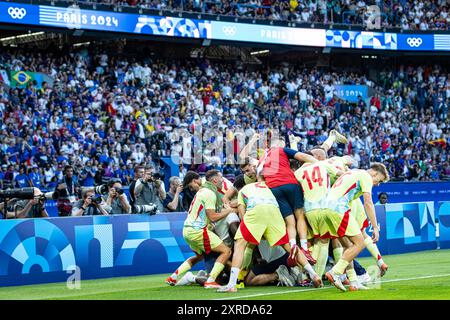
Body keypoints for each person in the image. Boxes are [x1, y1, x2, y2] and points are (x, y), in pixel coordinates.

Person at [218, 174, 322, 293]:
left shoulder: (244, 191)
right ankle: (313, 274)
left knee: (240, 244)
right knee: (289, 246)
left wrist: (253, 230)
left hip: (256, 211)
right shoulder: (268, 186)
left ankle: (232, 284)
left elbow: (243, 216)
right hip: (274, 213)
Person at [241, 133, 318, 264]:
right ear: (277, 144)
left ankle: (293, 246)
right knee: (300, 216)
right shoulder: (281, 150)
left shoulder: (261, 159)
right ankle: (304, 248)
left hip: (274, 189)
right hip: (289, 183)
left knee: (290, 222)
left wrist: (253, 139)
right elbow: (302, 156)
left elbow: (243, 157)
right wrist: (320, 164)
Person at [323, 163, 390, 292]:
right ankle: (335, 272)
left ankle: (354, 282)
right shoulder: (366, 176)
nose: (378, 184)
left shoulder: (353, 172)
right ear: (375, 173)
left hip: (326, 209)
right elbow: (368, 202)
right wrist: (375, 227)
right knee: (359, 243)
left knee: (349, 246)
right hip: (338, 208)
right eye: (379, 180)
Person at [166, 170, 237, 288]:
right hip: (198, 230)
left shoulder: (202, 191)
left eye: (191, 186)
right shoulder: (209, 192)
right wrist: (229, 210)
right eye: (220, 179)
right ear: (214, 180)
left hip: (187, 230)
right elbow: (213, 217)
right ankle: (210, 280)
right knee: (226, 251)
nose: (192, 189)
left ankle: (173, 277)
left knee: (199, 257)